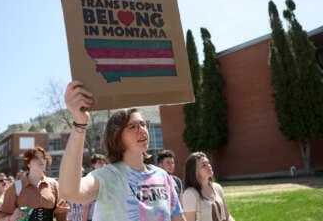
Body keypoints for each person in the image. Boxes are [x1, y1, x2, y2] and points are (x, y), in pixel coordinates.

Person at [59, 81, 185, 221]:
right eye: (132, 126)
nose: (142, 129)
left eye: (143, 124)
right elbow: (70, 192)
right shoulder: (107, 176)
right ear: (117, 137)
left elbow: (178, 218)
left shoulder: (163, 176)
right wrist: (80, 122)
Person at [0, 146, 69, 221]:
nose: (41, 161)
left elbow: (62, 214)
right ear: (28, 164)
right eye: (36, 158)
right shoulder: (16, 187)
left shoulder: (54, 185)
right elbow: (1, 217)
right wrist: (12, 218)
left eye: (43, 158)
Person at [182, 152, 235, 221]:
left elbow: (227, 216)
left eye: (208, 163)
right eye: (204, 165)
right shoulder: (190, 194)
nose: (209, 166)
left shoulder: (217, 187)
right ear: (194, 171)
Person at [82, 154, 106, 221]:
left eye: (104, 162)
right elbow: (86, 203)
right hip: (93, 217)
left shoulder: (108, 176)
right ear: (93, 165)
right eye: (100, 162)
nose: (103, 164)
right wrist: (84, 219)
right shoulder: (90, 177)